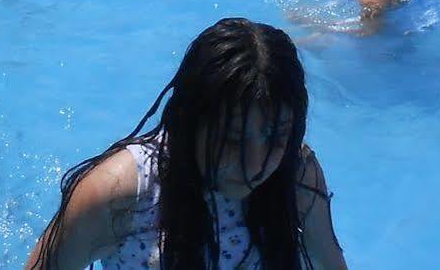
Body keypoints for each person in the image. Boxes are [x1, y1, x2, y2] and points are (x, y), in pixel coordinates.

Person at [24, 17, 348, 270]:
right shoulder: (118, 196)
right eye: (232, 139)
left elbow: (329, 262)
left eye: (275, 136)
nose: (254, 165)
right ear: (189, 121)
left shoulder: (295, 174)